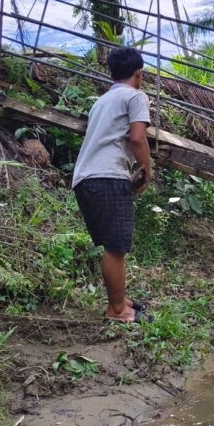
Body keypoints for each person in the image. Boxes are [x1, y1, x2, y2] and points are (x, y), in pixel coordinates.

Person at [72, 46, 153, 323]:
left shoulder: (101, 101)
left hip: (85, 178)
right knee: (116, 246)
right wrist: (147, 168)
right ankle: (117, 310)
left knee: (110, 244)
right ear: (138, 73)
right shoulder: (135, 96)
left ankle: (120, 300)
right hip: (107, 177)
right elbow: (137, 138)